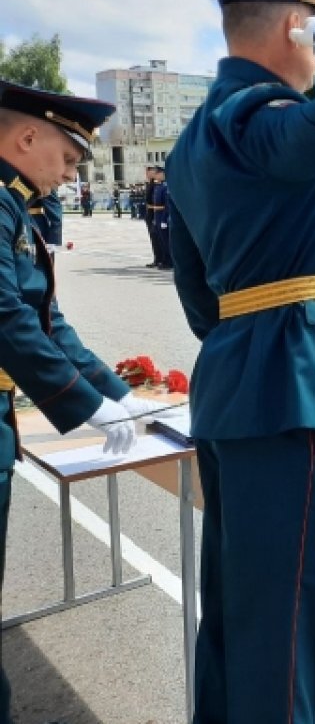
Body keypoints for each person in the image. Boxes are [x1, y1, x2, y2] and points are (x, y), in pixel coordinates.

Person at [166, 0, 315, 723]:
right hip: (294, 390)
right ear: (298, 25)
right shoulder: (258, 114)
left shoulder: (200, 132)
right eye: (314, 29)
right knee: (289, 628)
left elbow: (201, 293)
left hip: (241, 385)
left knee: (239, 617)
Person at [0, 80, 154, 722]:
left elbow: (47, 318)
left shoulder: (14, 208)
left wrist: (117, 394)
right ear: (27, 136)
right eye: (67, 158)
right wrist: (83, 405)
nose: (69, 175)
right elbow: (6, 315)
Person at [151, 165, 173, 270]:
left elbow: (167, 205)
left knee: (166, 241)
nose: (156, 175)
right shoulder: (158, 186)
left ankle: (169, 262)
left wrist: (164, 219)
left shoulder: (166, 186)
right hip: (158, 215)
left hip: (163, 215)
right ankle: (164, 260)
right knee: (161, 240)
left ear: (162, 174)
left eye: (157, 173)